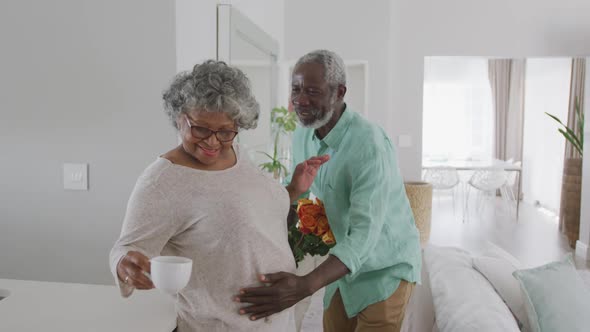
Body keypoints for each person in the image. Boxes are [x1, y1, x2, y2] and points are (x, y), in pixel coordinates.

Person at [109, 60, 329, 332]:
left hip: (276, 322)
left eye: (225, 131)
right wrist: (123, 265)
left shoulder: (236, 151)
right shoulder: (161, 182)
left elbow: (248, 209)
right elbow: (126, 248)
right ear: (179, 117)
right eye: (200, 128)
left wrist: (294, 189)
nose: (212, 142)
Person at [235, 50, 422, 331]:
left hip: (384, 268)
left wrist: (305, 286)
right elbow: (299, 196)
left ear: (339, 92)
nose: (300, 100)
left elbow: (364, 233)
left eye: (312, 91)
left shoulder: (369, 144)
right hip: (341, 267)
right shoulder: (302, 135)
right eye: (296, 89)